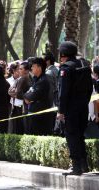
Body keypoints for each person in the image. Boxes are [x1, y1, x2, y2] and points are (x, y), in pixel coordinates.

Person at [57, 41, 93, 175]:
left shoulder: (66, 68)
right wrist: (84, 102)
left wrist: (61, 111)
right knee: (80, 135)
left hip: (70, 109)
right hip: (83, 107)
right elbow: (90, 88)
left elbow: (63, 92)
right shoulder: (84, 65)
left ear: (63, 54)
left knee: (72, 136)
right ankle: (84, 165)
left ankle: (76, 167)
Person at [24, 58, 52, 135]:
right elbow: (27, 94)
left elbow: (31, 96)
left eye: (33, 66)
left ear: (39, 67)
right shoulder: (36, 79)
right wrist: (26, 96)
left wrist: (27, 96)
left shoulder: (43, 80)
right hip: (33, 113)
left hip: (40, 116)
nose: (31, 68)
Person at [9, 61, 31, 134]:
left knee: (20, 129)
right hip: (16, 106)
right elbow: (9, 91)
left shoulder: (25, 79)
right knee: (16, 129)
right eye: (19, 69)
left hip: (22, 108)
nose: (19, 70)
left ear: (27, 70)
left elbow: (18, 93)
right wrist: (16, 93)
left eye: (21, 69)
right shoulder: (19, 79)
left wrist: (17, 93)